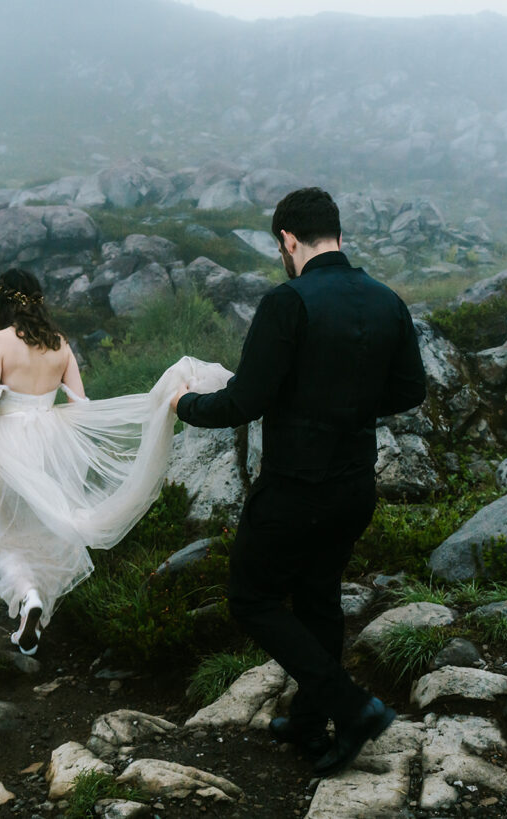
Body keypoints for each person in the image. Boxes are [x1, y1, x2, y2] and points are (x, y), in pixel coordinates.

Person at [171, 187, 427, 777]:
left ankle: (351, 708)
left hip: (294, 488)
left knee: (251, 598)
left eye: (280, 246)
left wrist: (183, 404)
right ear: (334, 233)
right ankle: (311, 722)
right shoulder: (387, 301)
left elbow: (245, 400)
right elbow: (410, 390)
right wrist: (352, 403)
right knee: (318, 598)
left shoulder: (288, 302)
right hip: (355, 486)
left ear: (288, 239)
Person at [0, 268, 230, 655]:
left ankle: (29, 594)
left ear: (1, 302)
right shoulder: (60, 343)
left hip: (6, 445)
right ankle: (32, 609)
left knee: (2, 536)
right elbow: (81, 404)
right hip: (51, 443)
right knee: (45, 529)